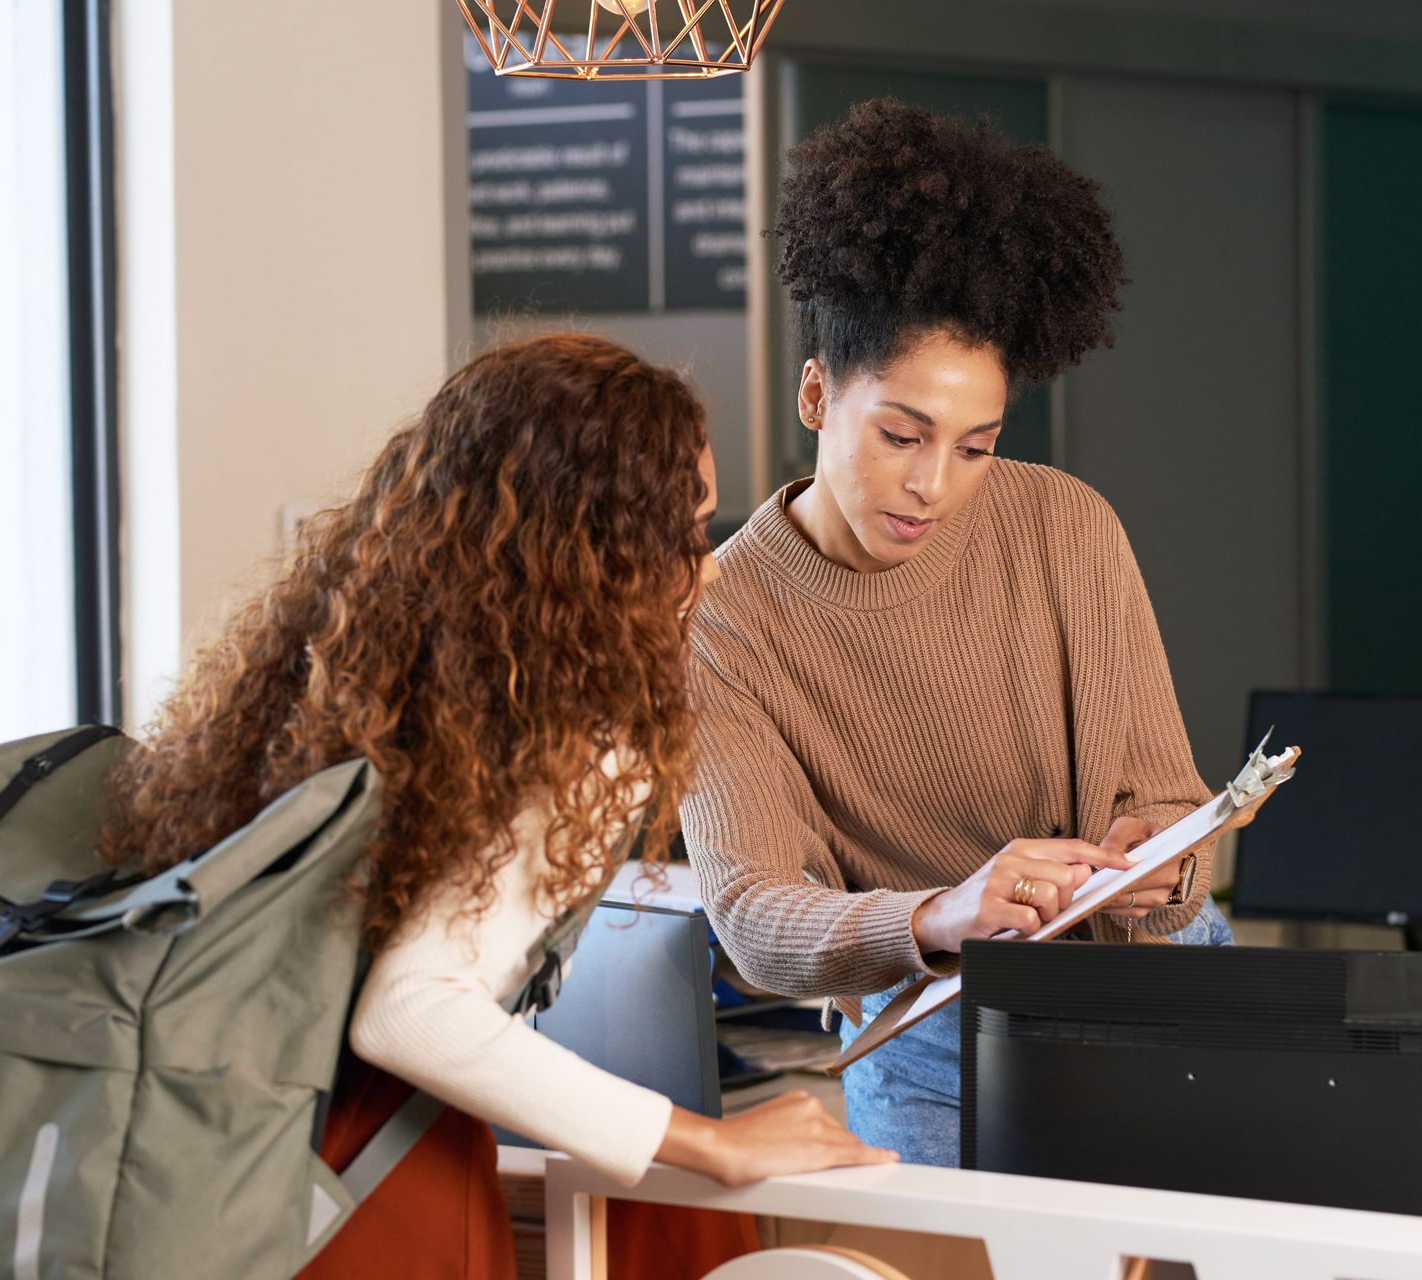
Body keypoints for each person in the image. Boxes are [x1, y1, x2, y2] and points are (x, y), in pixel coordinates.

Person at [98, 334, 894, 1279]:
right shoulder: (581, 738)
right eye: (682, 536)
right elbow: (410, 1012)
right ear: (589, 551)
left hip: (229, 1169)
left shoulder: (355, 680)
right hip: (367, 1189)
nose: (707, 569)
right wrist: (703, 1139)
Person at [680, 99, 1234, 1169]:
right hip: (930, 1047)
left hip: (1166, 1007)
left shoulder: (1067, 525)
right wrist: (940, 912)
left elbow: (1172, 798)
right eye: (901, 434)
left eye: (975, 446)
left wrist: (1163, 862)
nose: (933, 483)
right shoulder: (724, 614)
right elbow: (750, 914)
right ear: (815, 392)